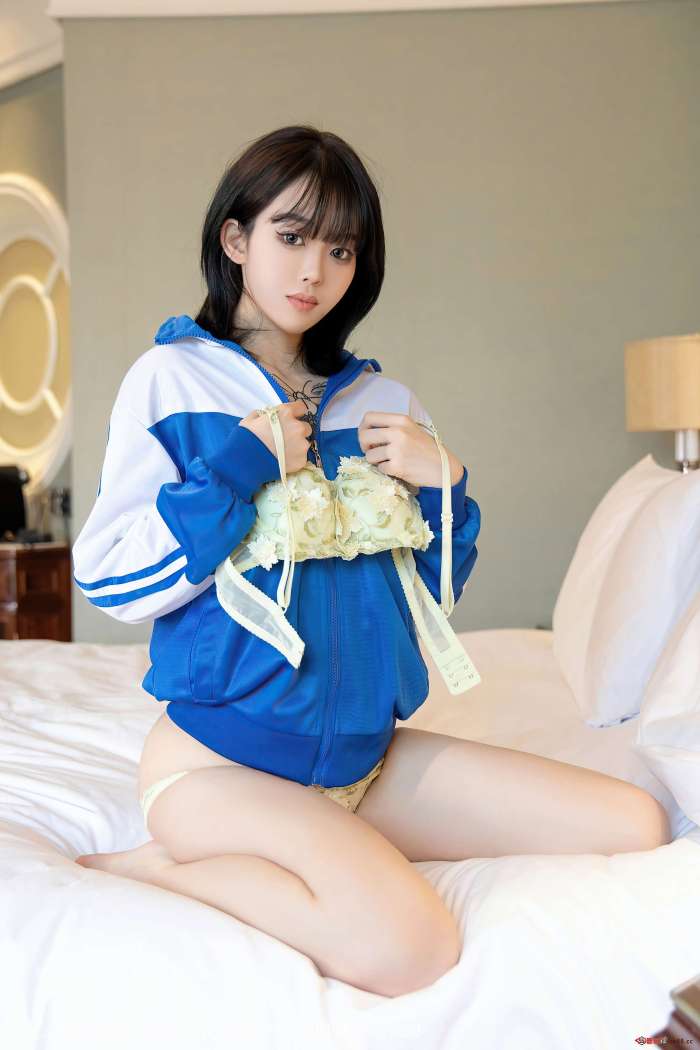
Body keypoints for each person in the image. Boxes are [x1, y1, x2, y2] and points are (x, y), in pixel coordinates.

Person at [72, 124, 671, 999]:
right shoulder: (170, 382)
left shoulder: (384, 400)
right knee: (410, 947)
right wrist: (235, 469)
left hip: (367, 760)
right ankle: (158, 868)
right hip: (221, 766)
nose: (314, 271)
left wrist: (448, 489)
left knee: (637, 822)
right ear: (235, 239)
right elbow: (111, 578)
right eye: (291, 237)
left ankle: (332, 845)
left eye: (341, 249)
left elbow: (426, 595)